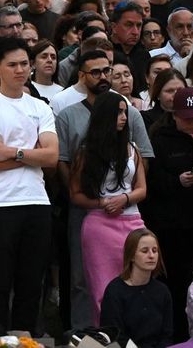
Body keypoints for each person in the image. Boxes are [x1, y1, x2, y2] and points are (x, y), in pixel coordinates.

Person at [0, 38, 59, 339]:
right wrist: (31, 153)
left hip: (37, 202)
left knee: (31, 283)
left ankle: (24, 341)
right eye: (12, 64)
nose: (20, 69)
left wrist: (15, 152)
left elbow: (51, 157)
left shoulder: (40, 107)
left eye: (24, 63)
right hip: (0, 205)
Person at [69, 91, 147, 325]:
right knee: (102, 290)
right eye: (119, 112)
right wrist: (102, 203)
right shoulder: (86, 152)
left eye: (125, 111)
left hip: (132, 221)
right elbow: (76, 194)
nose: (124, 117)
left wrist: (124, 198)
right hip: (98, 225)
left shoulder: (132, 149)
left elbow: (142, 189)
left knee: (137, 283)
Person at [143, 86, 193, 341]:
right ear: (174, 114)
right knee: (173, 284)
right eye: (187, 118)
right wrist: (177, 181)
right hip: (170, 224)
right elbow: (151, 179)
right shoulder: (159, 137)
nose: (192, 122)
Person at [100, 229, 173, 348]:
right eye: (144, 251)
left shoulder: (162, 291)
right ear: (132, 256)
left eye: (155, 251)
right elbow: (112, 335)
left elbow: (167, 335)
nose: (151, 255)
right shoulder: (115, 291)